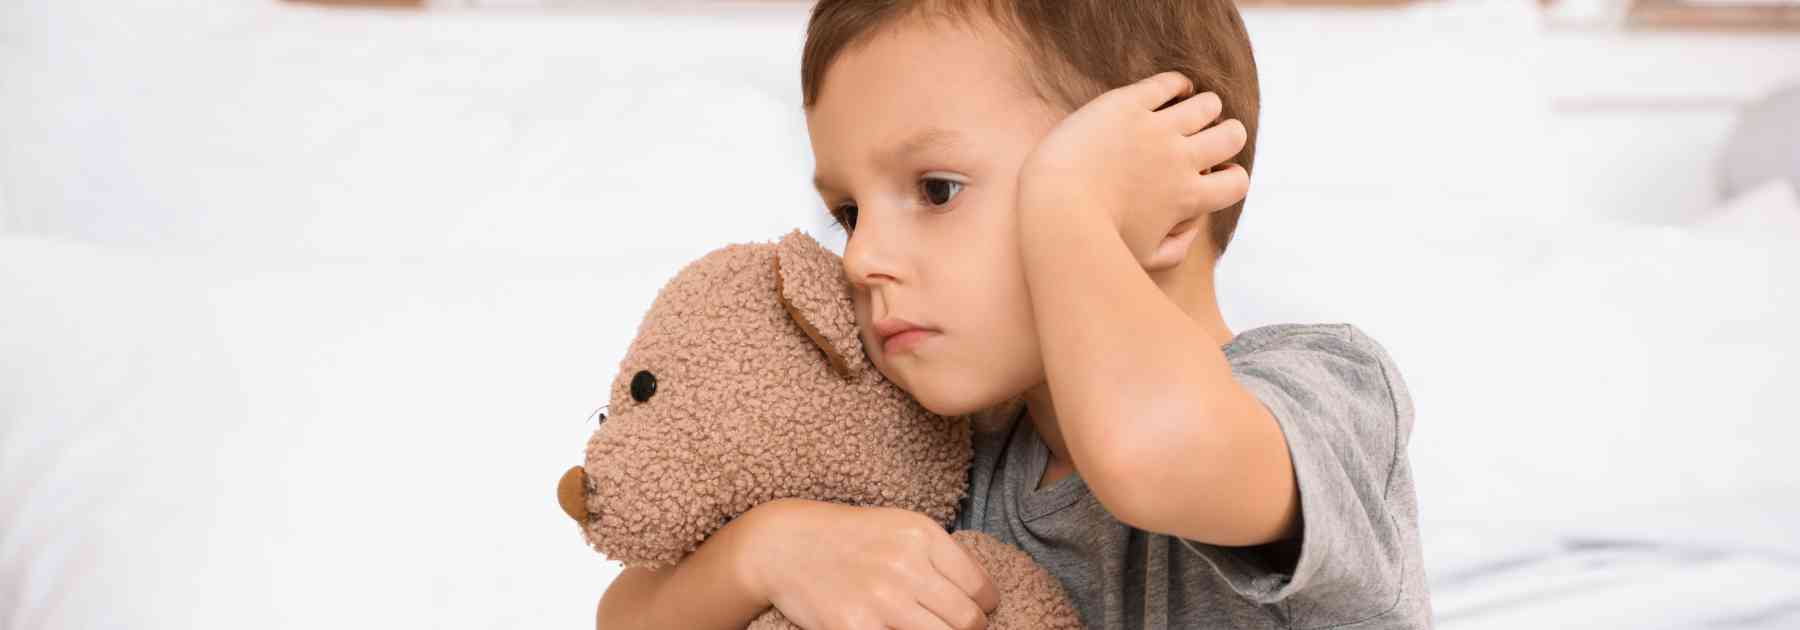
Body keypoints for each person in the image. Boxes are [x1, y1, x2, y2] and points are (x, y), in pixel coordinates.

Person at [595, 1, 1431, 628]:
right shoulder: (948, 456)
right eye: (849, 213)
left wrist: (1069, 209)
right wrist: (768, 551)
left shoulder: (1328, 396)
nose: (859, 257)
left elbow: (1146, 457)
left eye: (936, 190)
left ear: (1168, 202)